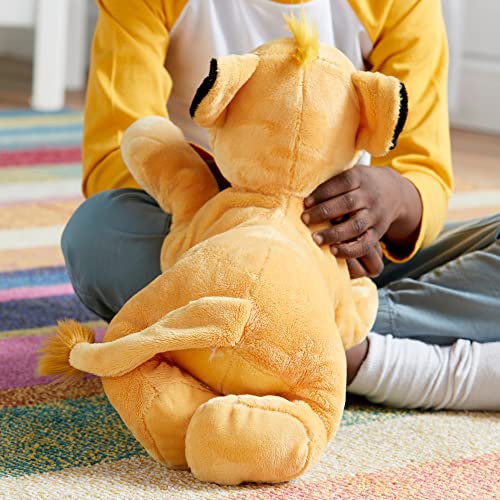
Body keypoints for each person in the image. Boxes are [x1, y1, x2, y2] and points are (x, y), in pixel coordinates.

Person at [62, 0, 500, 411]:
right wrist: (244, 211)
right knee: (97, 235)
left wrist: (392, 197)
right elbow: (117, 154)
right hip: (204, 248)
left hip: (346, 262)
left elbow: (423, 172)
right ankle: (328, 351)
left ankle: (285, 343)